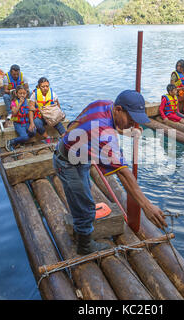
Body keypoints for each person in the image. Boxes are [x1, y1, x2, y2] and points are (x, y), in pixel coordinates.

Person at [54, 90, 168, 255]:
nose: (132, 124)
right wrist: (147, 206)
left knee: (83, 199)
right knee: (84, 205)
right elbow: (123, 174)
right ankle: (84, 247)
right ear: (118, 109)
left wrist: (127, 132)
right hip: (67, 163)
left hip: (81, 155)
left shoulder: (105, 104)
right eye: (131, 120)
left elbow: (88, 123)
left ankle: (80, 229)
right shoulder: (103, 132)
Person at [29, 77, 66, 142]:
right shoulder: (34, 95)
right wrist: (32, 123)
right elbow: (30, 109)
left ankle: (65, 137)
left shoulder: (53, 95)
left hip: (50, 116)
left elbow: (58, 107)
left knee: (58, 122)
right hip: (40, 117)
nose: (45, 88)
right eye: (43, 86)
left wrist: (60, 116)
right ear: (39, 87)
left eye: (47, 86)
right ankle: (48, 138)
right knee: (36, 122)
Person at [5, 85, 38, 151]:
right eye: (20, 93)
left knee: (33, 132)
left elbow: (33, 110)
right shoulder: (14, 102)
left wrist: (32, 123)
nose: (22, 95)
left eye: (24, 93)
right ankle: (11, 142)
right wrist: (20, 103)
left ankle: (21, 141)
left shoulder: (28, 102)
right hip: (18, 123)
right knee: (25, 137)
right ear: (16, 94)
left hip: (27, 122)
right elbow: (14, 113)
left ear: (26, 94)